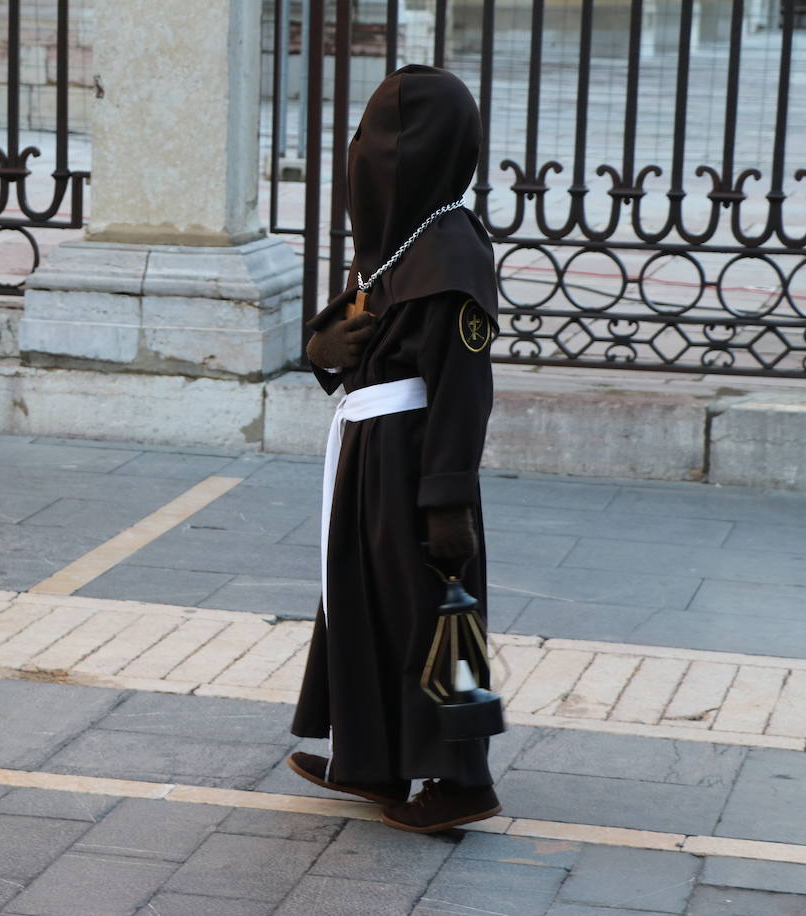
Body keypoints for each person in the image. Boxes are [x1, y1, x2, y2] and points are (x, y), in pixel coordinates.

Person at [287, 65, 501, 834]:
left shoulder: (452, 253)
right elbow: (353, 328)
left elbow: (464, 389)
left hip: (417, 461)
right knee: (363, 600)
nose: (369, 158)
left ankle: (464, 780)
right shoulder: (397, 238)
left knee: (442, 620)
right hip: (369, 457)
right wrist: (322, 344)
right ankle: (371, 756)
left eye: (385, 143)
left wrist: (445, 496)